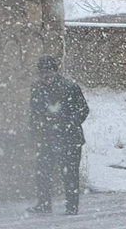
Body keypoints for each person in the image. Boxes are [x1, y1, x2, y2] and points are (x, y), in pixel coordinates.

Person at [29, 55, 89, 215]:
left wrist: (69, 124)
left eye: (48, 71)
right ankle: (44, 203)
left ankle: (72, 206)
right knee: (43, 171)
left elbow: (83, 109)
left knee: (69, 173)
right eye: (42, 72)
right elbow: (34, 113)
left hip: (70, 139)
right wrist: (36, 130)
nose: (45, 76)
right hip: (47, 137)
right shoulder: (37, 88)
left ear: (55, 71)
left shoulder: (69, 87)